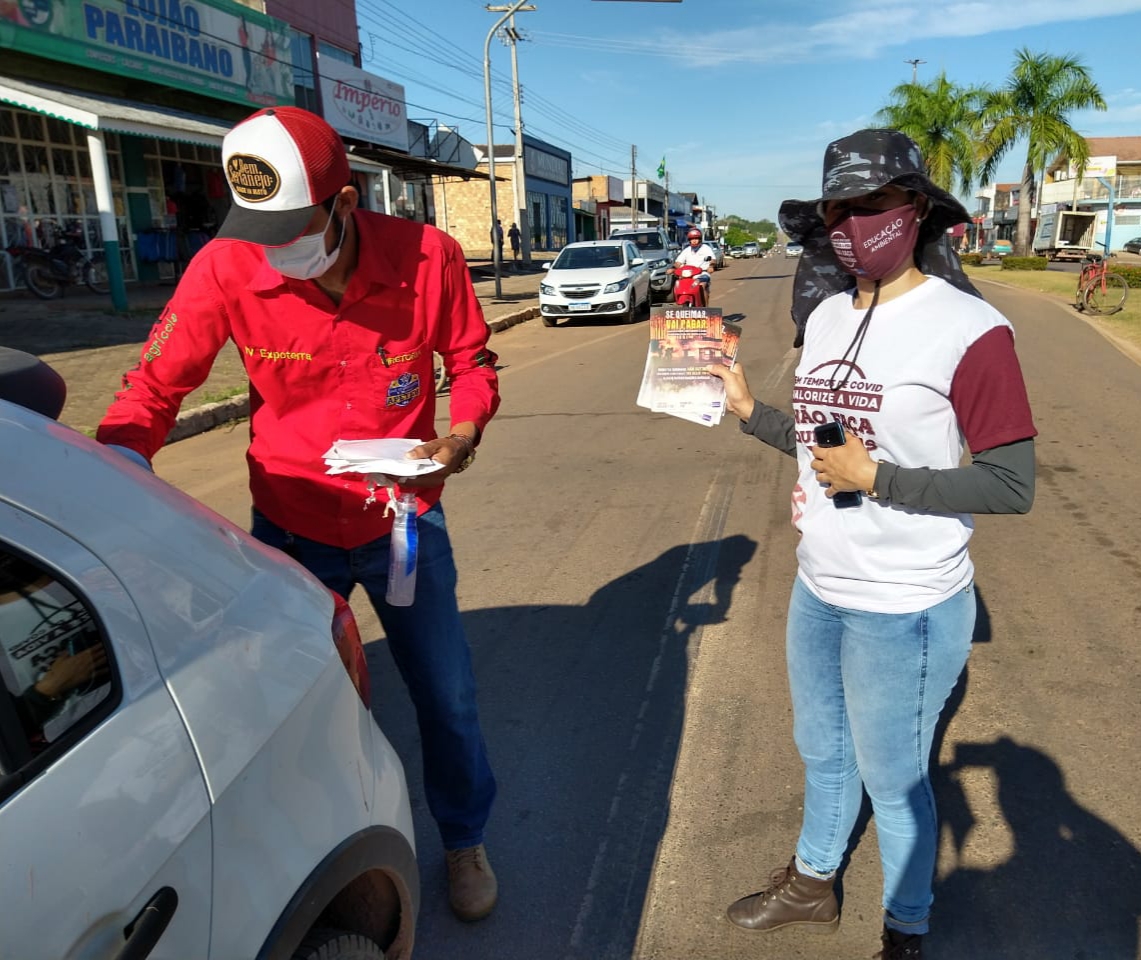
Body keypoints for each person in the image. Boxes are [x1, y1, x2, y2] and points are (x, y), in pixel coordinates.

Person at [96, 106, 501, 923]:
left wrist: (461, 433)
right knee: (291, 707)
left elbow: (470, 360)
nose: (274, 248)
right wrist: (109, 468)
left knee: (446, 696)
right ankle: (323, 850)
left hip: (402, 522)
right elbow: (153, 388)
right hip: (287, 530)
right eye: (259, 229)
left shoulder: (429, 258)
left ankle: (463, 839)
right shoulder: (225, 266)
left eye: (292, 227)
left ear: (345, 201)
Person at [706, 128, 1037, 960]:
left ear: (914, 209)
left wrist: (879, 479)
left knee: (894, 781)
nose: (852, 224)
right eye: (837, 211)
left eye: (870, 206)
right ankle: (813, 883)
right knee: (821, 751)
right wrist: (751, 412)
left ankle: (906, 925)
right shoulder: (823, 315)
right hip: (819, 588)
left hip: (908, 604)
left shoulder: (969, 328)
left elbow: (1009, 483)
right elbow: (827, 442)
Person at [674, 227, 716, 301]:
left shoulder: (706, 248)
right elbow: (678, 262)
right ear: (689, 240)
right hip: (688, 275)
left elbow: (713, 259)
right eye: (692, 239)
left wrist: (711, 266)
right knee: (678, 284)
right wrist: (675, 268)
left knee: (702, 285)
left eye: (696, 239)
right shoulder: (686, 250)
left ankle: (705, 309)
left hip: (703, 273)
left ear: (700, 239)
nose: (694, 241)